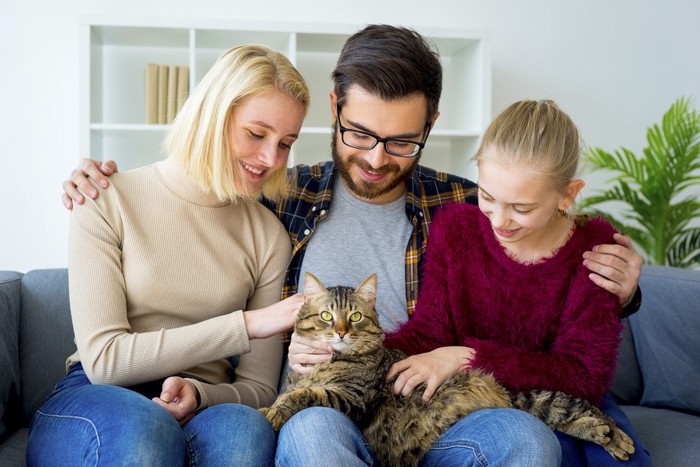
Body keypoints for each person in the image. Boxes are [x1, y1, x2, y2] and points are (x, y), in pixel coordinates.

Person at [61, 25, 644, 465]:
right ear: (336, 107)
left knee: (526, 438)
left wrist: (622, 282)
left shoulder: (469, 207)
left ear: (432, 126)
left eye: (401, 142)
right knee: (313, 435)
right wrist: (99, 181)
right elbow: (198, 198)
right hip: (321, 407)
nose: (374, 157)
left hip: (423, 407)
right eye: (360, 133)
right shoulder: (280, 198)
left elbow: (542, 229)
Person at [28, 45, 309, 466]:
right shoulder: (105, 198)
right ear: (212, 116)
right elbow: (104, 360)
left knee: (246, 433)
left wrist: (202, 394)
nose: (271, 159)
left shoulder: (267, 235)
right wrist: (247, 324)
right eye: (256, 134)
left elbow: (260, 390)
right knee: (144, 430)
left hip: (205, 404)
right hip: (98, 394)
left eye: (286, 143)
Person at [383, 99, 651, 466]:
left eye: (522, 209)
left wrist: (467, 358)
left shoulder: (595, 249)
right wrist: (354, 352)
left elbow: (583, 376)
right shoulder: (457, 230)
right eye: (488, 197)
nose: (500, 221)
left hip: (566, 401)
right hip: (483, 404)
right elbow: (429, 334)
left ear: (568, 194)